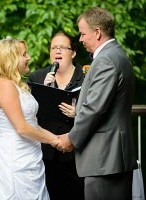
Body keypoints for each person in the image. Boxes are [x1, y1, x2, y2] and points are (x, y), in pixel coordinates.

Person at [57, 7, 137, 200]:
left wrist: (71, 139)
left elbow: (95, 109)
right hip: (111, 157)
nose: (81, 39)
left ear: (98, 32)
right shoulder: (117, 55)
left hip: (104, 158)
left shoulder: (106, 60)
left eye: (83, 34)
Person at [0, 38, 62, 200]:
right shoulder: (4, 85)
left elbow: (32, 124)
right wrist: (54, 140)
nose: (29, 57)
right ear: (11, 59)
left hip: (31, 159)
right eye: (24, 54)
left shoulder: (17, 85)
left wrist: (55, 138)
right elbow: (21, 127)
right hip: (14, 161)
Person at [28, 32, 85, 200]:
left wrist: (78, 113)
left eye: (62, 47)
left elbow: (96, 110)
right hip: (46, 150)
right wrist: (44, 90)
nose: (57, 51)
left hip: (75, 150)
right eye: (54, 48)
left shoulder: (85, 77)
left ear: (73, 53)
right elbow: (28, 112)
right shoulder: (37, 77)